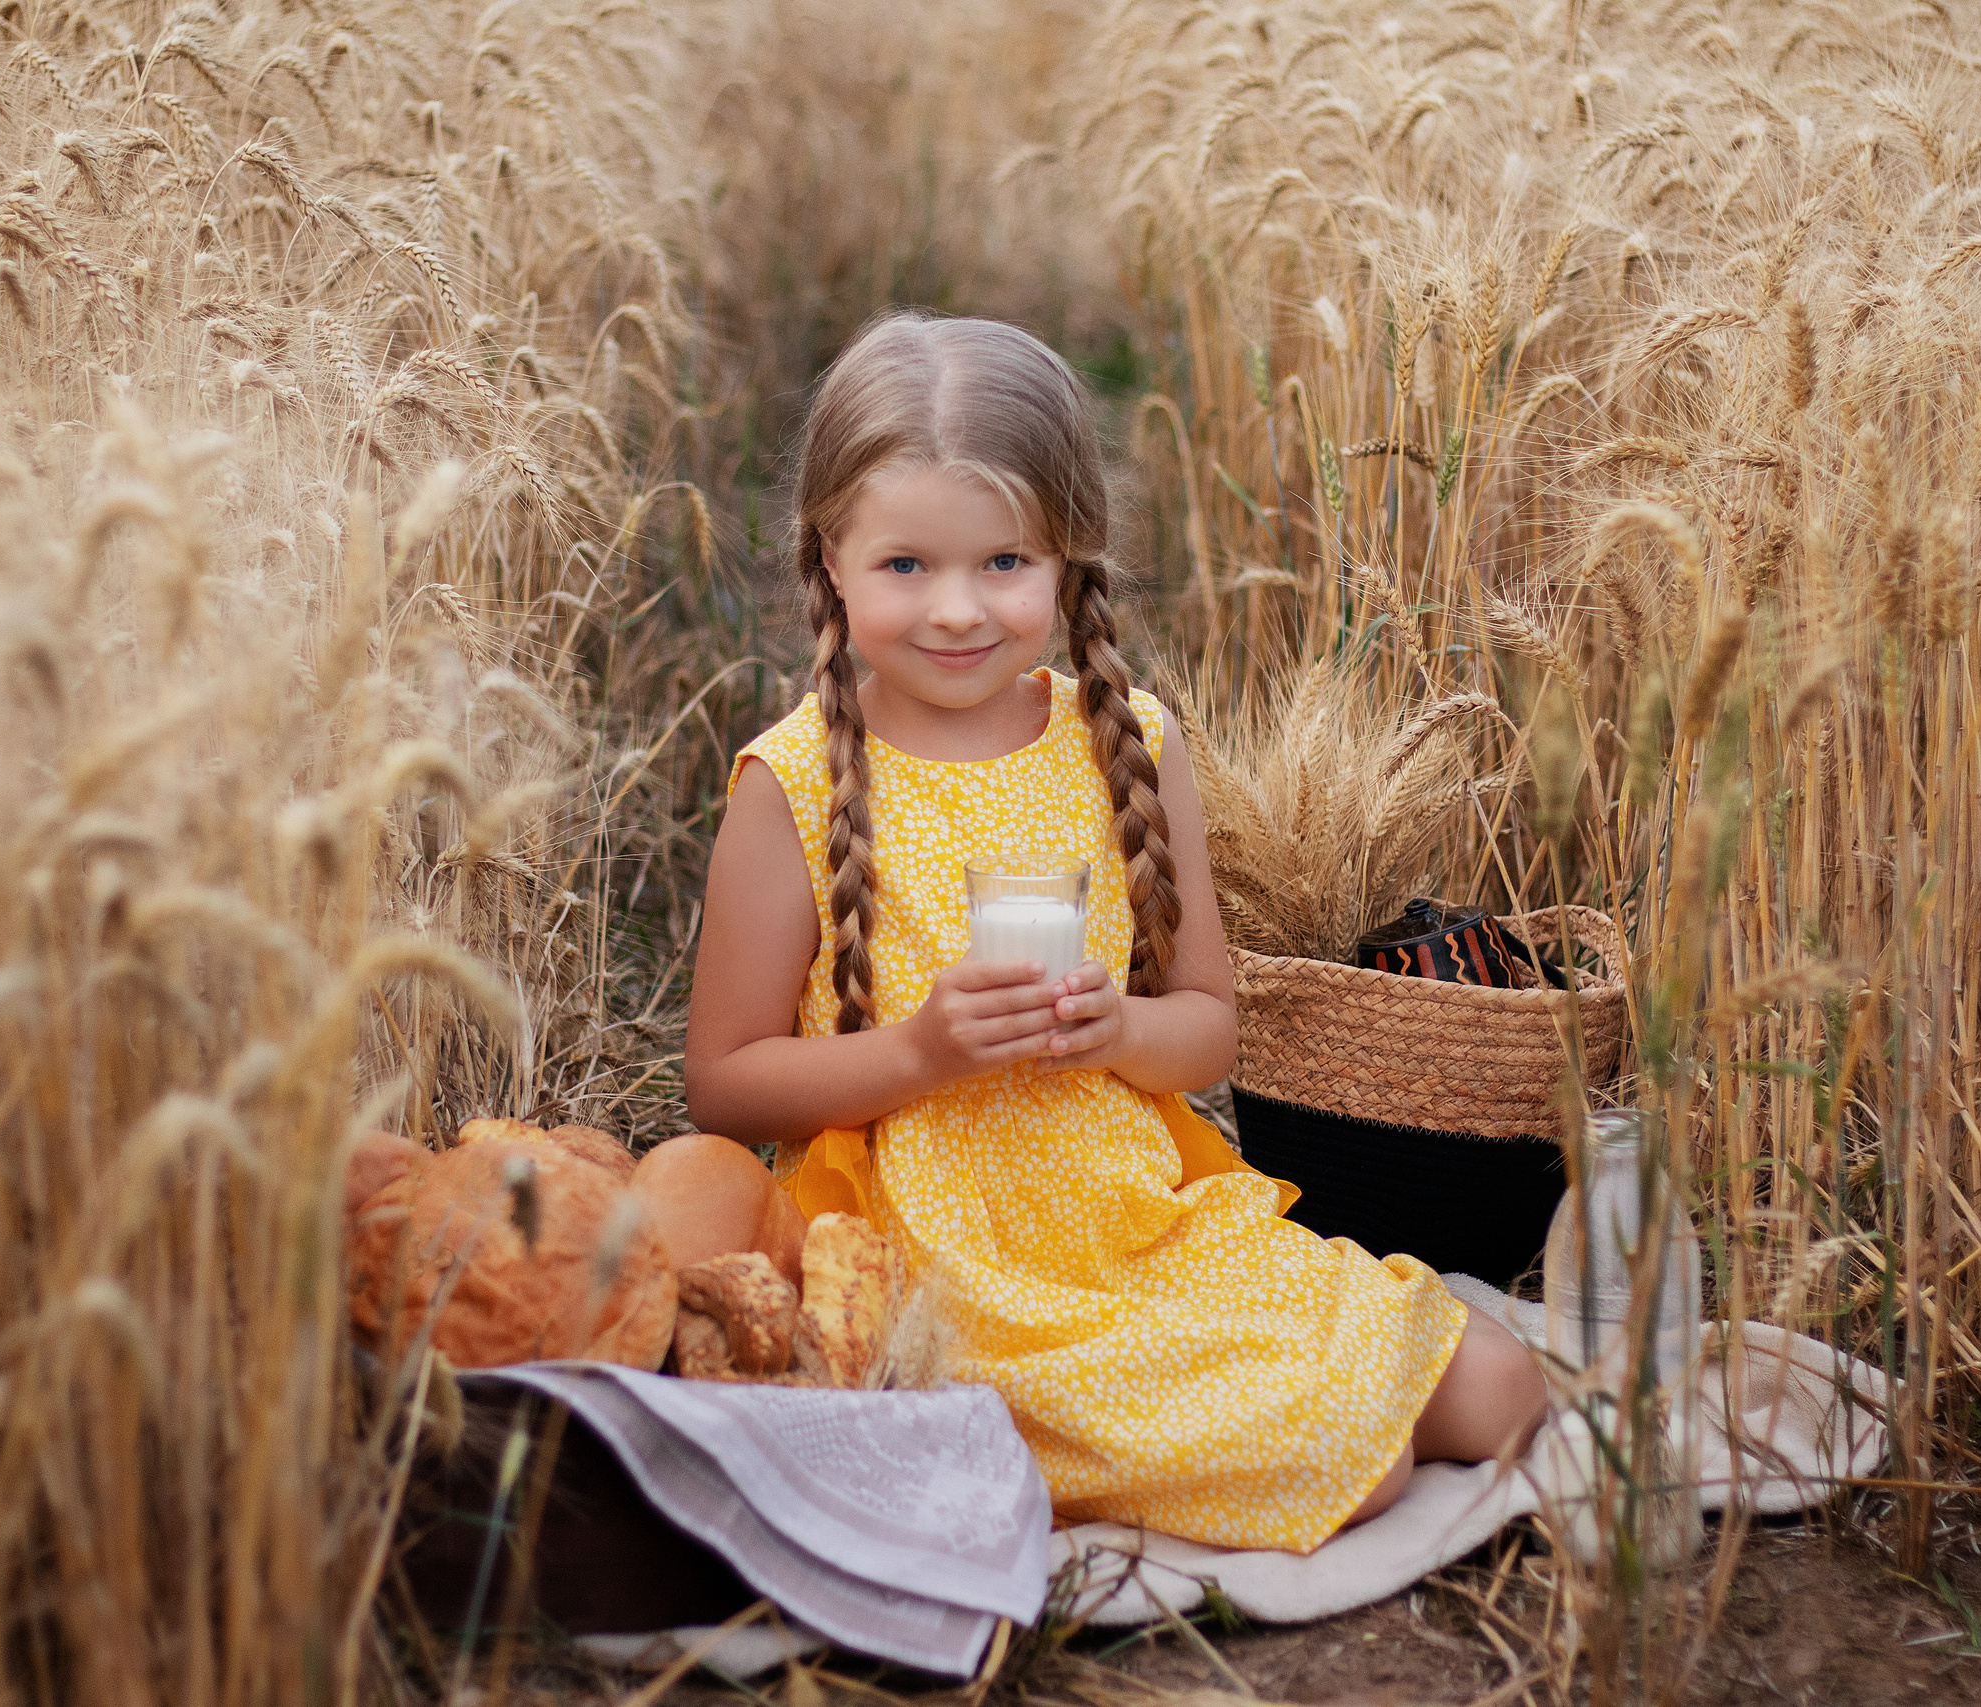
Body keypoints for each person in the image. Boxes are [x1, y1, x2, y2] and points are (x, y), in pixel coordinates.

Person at [635, 310, 1545, 1551]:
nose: (958, 610)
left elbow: (1208, 1031)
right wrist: (923, 1052)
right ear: (829, 560)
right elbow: (723, 1086)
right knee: (1351, 1469)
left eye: (1004, 563)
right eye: (906, 566)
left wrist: (1118, 1028)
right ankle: (1083, 1439)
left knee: (1498, 1388)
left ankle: (1202, 1430)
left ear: (1067, 562)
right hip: (947, 1269)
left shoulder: (1126, 744)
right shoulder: (791, 786)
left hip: (1129, 1218)